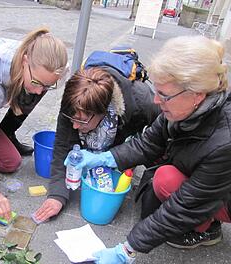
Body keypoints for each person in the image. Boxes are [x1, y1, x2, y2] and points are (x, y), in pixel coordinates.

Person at [75, 36, 230, 264]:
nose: (156, 101)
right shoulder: (180, 111)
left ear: (197, 95)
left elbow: (184, 207)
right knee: (164, 178)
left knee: (170, 187)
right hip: (206, 176)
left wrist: (126, 250)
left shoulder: (224, 143)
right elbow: (147, 144)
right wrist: (104, 158)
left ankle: (207, 228)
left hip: (224, 195)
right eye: (156, 91)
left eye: (164, 95)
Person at [35, 65, 161, 222]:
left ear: (103, 111)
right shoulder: (73, 101)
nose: (74, 126)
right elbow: (62, 147)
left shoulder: (142, 101)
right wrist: (57, 195)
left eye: (81, 120)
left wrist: (146, 185)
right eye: (72, 119)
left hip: (127, 144)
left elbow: (159, 140)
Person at [0, 28, 68, 221]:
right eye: (37, 82)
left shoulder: (36, 60)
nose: (40, 92)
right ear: (24, 61)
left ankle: (6, 134)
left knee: (12, 162)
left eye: (47, 85)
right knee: (8, 162)